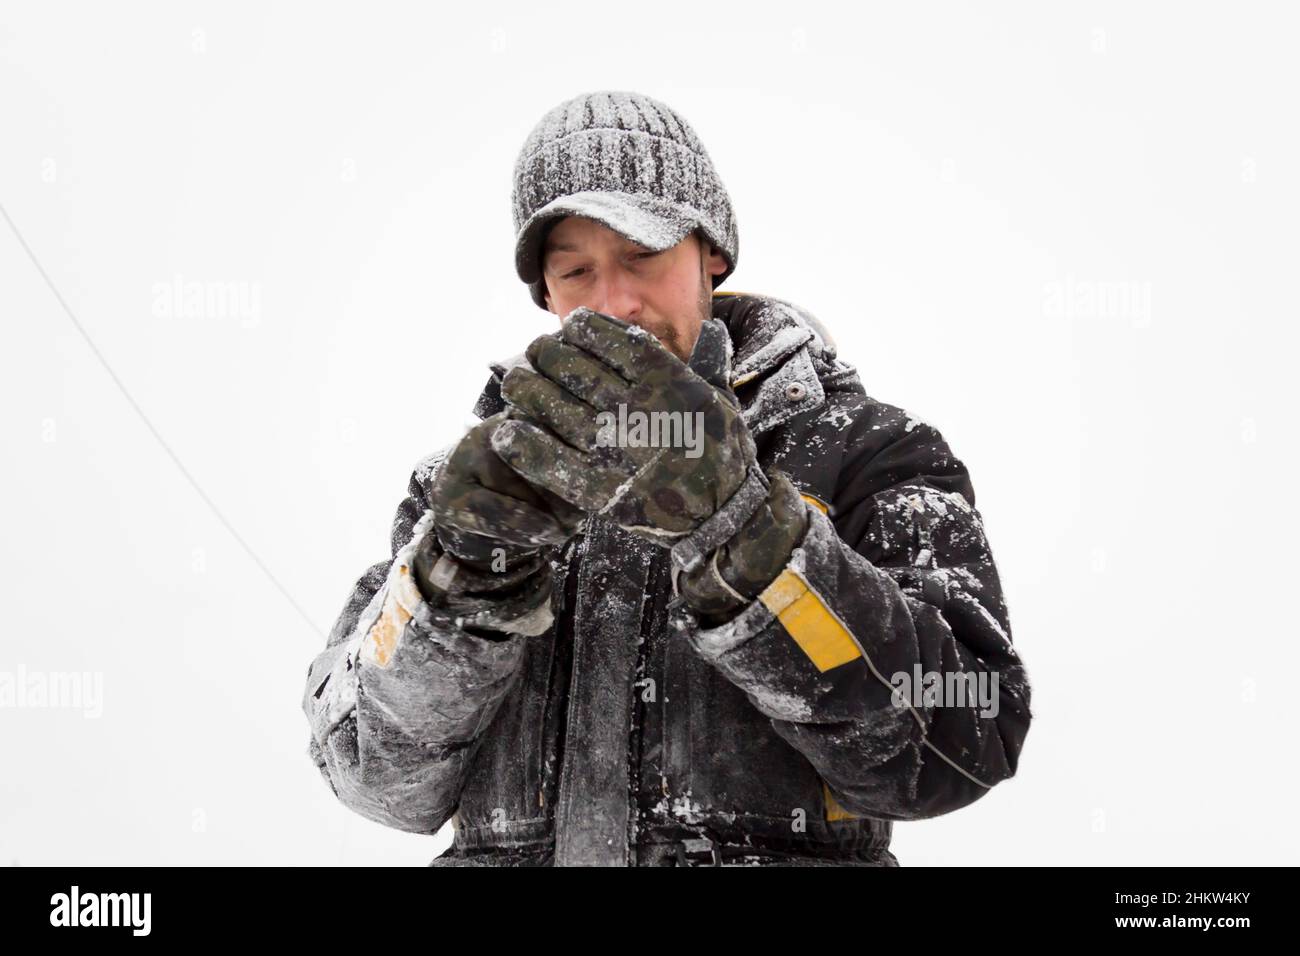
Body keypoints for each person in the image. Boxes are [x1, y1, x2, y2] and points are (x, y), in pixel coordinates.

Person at [301, 90, 1033, 866]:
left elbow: (966, 737)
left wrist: (744, 531)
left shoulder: (867, 448)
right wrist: (461, 584)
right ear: (546, 294)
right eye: (576, 271)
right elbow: (372, 779)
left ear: (710, 251)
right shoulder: (464, 491)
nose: (614, 301)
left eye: (642, 256)